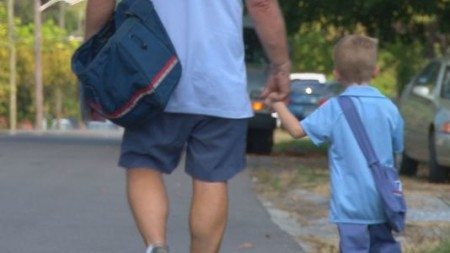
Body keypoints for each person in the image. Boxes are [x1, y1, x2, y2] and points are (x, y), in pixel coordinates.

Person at [84, 0, 291, 253]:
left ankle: (156, 246)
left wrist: (93, 49)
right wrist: (280, 65)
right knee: (212, 178)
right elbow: (261, 5)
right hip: (219, 83)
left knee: (144, 163)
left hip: (151, 76)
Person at [267, 34, 404, 253]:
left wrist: (277, 104)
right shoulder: (390, 109)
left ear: (337, 74)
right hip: (383, 200)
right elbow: (397, 149)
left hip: (350, 206)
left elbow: (296, 130)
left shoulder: (335, 108)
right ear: (376, 71)